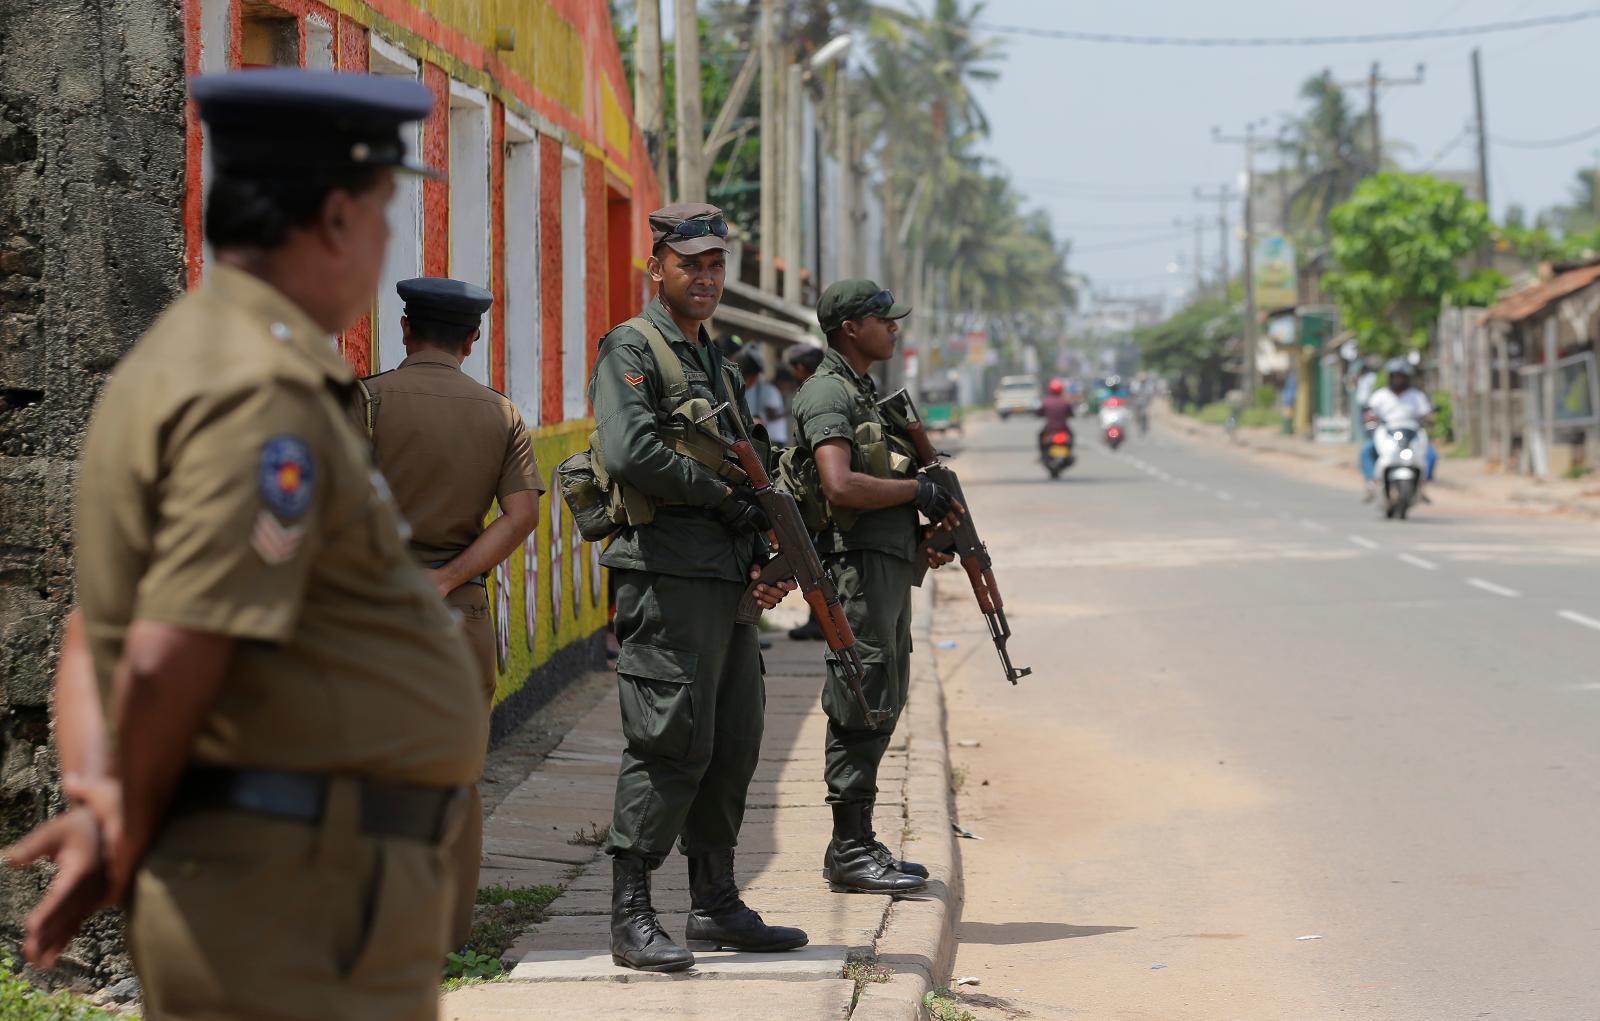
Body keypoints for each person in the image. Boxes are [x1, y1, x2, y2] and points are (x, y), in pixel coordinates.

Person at [6, 69, 482, 1020]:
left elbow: (95, 628)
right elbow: (170, 643)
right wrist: (126, 823)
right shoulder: (259, 392)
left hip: (281, 885)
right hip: (295, 899)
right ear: (339, 217)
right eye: (385, 213)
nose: (384, 244)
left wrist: (103, 795)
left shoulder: (183, 359)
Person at [590, 202, 806, 973]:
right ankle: (630, 913)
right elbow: (631, 452)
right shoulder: (634, 347)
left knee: (733, 740)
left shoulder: (715, 354)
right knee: (669, 737)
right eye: (692, 264)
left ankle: (714, 900)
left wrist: (762, 548)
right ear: (659, 268)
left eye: (716, 264)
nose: (707, 276)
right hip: (667, 572)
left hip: (723, 577)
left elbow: (744, 458)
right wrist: (725, 502)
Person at [360, 277, 543, 950]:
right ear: (473, 340)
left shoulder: (367, 401)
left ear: (405, 329)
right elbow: (522, 515)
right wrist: (450, 575)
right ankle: (448, 936)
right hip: (459, 616)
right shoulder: (501, 414)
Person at [790, 279, 960, 895]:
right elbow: (838, 486)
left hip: (884, 564)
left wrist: (924, 538)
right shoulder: (829, 392)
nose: (893, 329)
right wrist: (918, 491)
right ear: (849, 328)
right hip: (856, 569)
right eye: (883, 320)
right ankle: (848, 845)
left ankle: (860, 839)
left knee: (884, 689)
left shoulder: (862, 392)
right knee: (861, 692)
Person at [1361, 358, 1437, 502]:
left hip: (1411, 432)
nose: (1398, 380)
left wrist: (1428, 419)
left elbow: (1427, 414)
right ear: (1390, 377)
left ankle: (1423, 484)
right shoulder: (1380, 395)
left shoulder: (1416, 396)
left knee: (1431, 453)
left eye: (1401, 376)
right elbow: (1369, 413)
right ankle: (1372, 482)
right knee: (1367, 449)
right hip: (1387, 432)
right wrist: (1370, 419)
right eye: (1396, 376)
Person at [1037, 377, 1075, 453]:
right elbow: (1071, 413)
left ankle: (1042, 454)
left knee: (1040, 436)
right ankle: (1069, 452)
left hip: (1049, 429)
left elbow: (1039, 413)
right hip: (1063, 428)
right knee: (1072, 436)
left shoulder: (1046, 402)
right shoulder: (1065, 402)